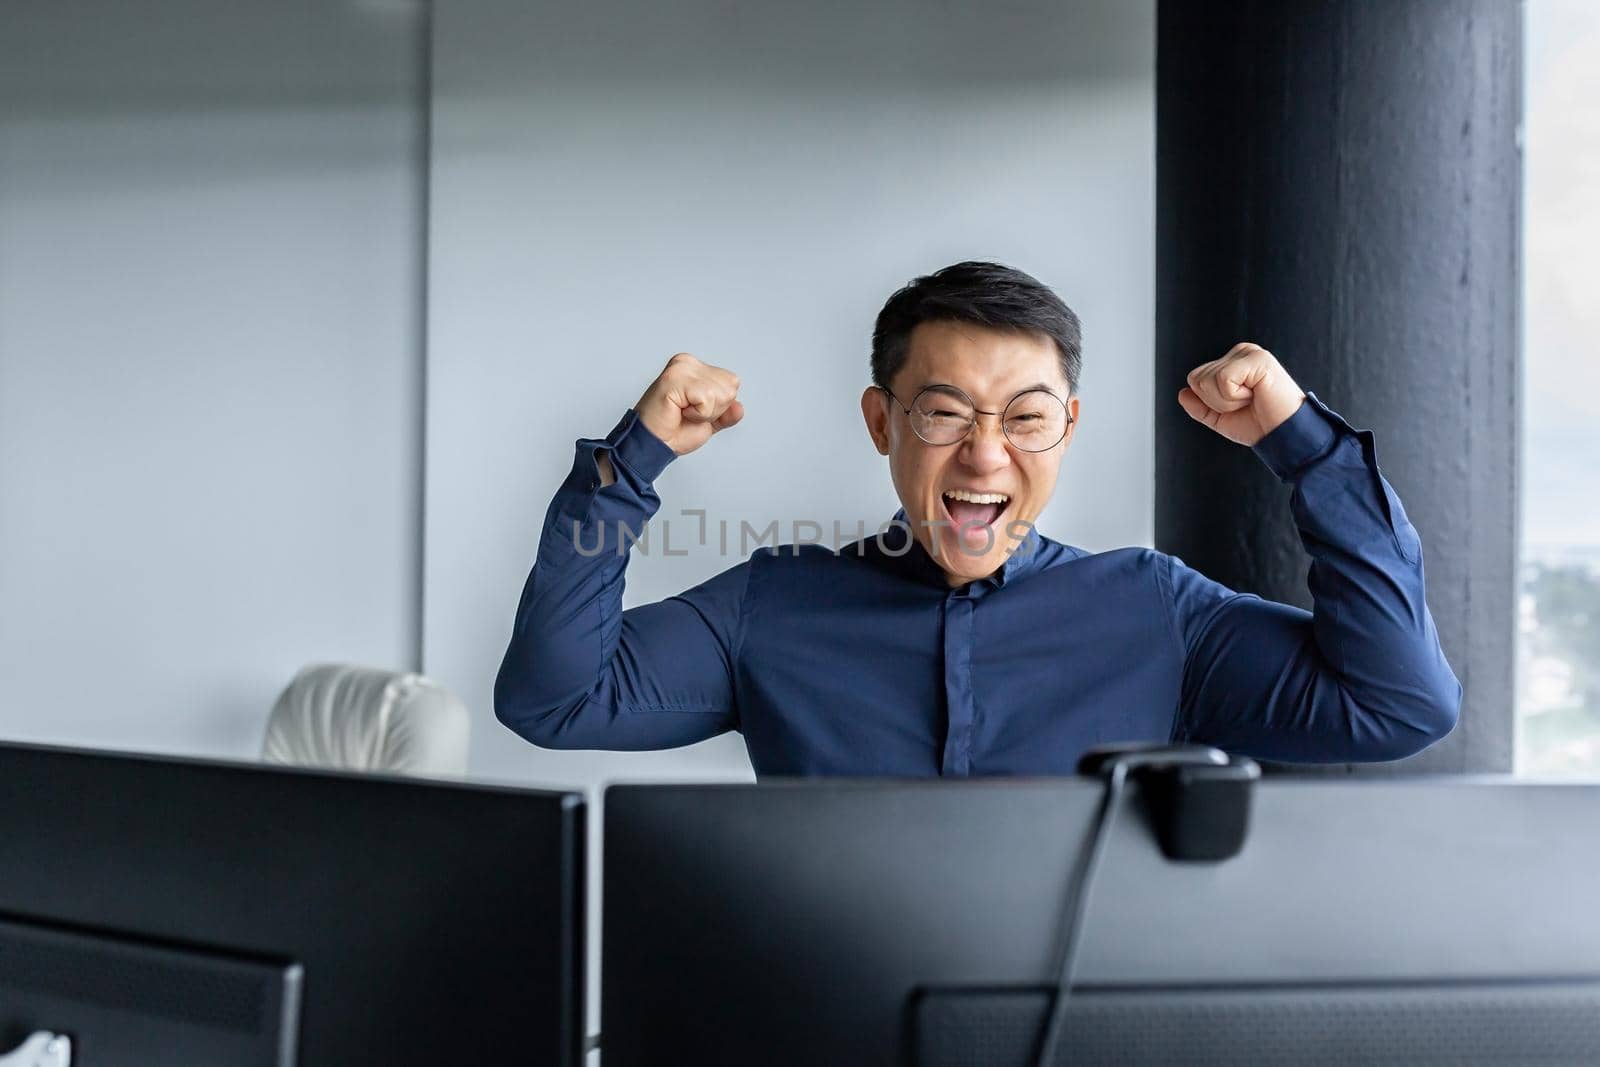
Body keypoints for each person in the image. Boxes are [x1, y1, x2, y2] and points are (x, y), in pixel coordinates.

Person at [494, 261, 1460, 776]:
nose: (986, 454)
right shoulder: (772, 606)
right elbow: (554, 697)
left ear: (1067, 429)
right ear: (884, 423)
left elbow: (1399, 703)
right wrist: (626, 470)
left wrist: (1306, 447)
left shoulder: (1157, 614)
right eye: (946, 412)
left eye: (1026, 418)